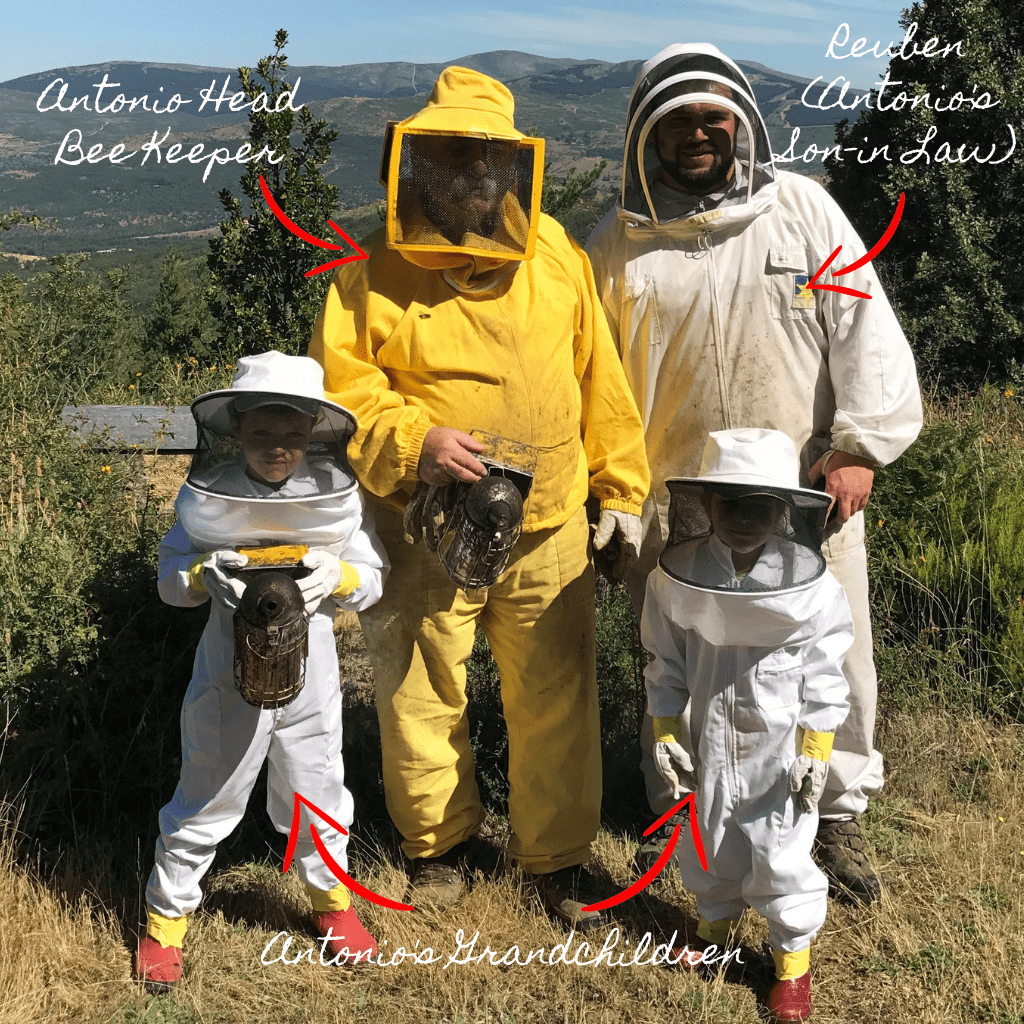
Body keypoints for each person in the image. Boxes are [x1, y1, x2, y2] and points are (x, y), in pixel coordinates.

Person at [308, 66, 649, 929]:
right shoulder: (370, 274)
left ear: (510, 170)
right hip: (425, 526)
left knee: (558, 694)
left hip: (548, 528)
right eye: (452, 158)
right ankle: (441, 847)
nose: (470, 176)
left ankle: (560, 859)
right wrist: (414, 440)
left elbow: (598, 383)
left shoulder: (558, 257)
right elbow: (341, 392)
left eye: (483, 160)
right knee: (419, 690)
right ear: (420, 166)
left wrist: (621, 491)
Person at [585, 43, 923, 902]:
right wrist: (607, 493)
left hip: (805, 497)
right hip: (671, 501)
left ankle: (833, 816)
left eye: (712, 117)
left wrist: (856, 448)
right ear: (646, 133)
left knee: (832, 657)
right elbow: (586, 377)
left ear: (739, 121)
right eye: (677, 121)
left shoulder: (803, 211)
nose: (697, 134)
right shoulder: (615, 247)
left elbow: (865, 332)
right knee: (680, 661)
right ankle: (682, 815)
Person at [134, 352, 388, 992]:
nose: (279, 449)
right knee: (207, 791)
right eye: (263, 435)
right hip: (226, 667)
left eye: (294, 436)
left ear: (312, 436)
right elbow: (169, 580)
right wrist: (199, 574)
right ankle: (165, 924)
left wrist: (345, 574)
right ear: (238, 430)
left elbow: (374, 579)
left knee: (318, 789)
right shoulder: (212, 500)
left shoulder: (329, 499)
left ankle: (333, 908)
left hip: (315, 665)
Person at [645, 428, 852, 1024]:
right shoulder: (675, 577)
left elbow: (825, 674)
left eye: (759, 504)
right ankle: (714, 933)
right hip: (708, 737)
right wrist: (664, 731)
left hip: (780, 750)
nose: (741, 518)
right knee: (710, 837)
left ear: (784, 509)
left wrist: (816, 749)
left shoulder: (811, 586)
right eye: (729, 503)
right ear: (704, 505)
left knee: (781, 850)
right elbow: (665, 661)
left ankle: (791, 964)